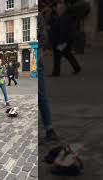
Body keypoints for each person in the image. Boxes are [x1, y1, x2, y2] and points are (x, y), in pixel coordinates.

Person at [38, 11, 59, 141]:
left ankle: (49, 128)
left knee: (41, 96)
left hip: (37, 61)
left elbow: (44, 38)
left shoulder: (38, 16)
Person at [49, 2, 81, 77]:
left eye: (58, 8)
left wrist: (60, 43)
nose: (57, 10)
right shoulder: (61, 17)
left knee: (57, 57)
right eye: (57, 8)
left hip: (62, 42)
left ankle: (56, 73)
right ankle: (77, 68)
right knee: (68, 55)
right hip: (64, 42)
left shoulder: (64, 18)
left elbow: (63, 31)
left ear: (62, 9)